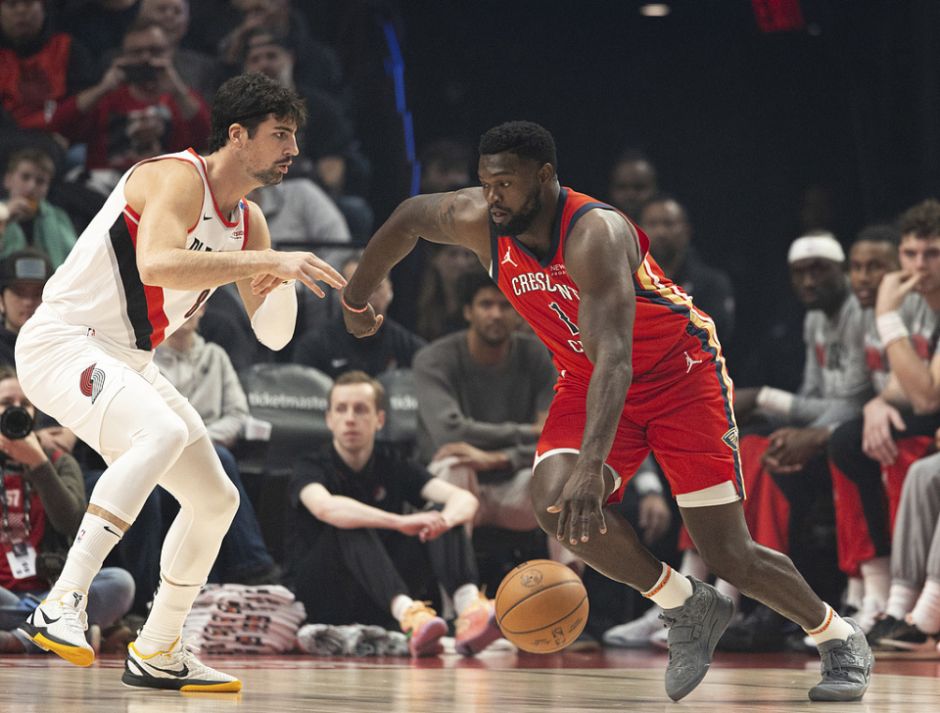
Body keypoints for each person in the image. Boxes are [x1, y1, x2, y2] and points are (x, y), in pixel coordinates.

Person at [343, 121, 873, 702]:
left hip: (678, 378)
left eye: (506, 184)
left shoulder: (594, 233)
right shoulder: (478, 220)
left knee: (727, 552)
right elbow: (408, 219)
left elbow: (617, 359)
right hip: (586, 378)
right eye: (486, 183)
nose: (493, 197)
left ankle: (839, 637)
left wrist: (593, 467)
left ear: (545, 177)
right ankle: (686, 604)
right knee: (556, 502)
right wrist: (356, 296)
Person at [13, 72, 345, 693]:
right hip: (63, 340)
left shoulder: (250, 222)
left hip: (130, 359)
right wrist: (265, 261)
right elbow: (156, 263)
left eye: (295, 136)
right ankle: (61, 602)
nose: (293, 149)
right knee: (162, 432)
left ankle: (160, 646)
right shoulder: (174, 175)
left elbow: (274, 336)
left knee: (216, 499)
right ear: (238, 135)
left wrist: (281, 282)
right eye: (280, 134)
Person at [286, 370, 500, 658]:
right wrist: (399, 522)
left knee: (440, 514)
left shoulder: (393, 462)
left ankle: (470, 611)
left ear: (380, 420)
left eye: (361, 409)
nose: (350, 418)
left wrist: (443, 522)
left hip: (380, 592)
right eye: (341, 409)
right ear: (329, 419)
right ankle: (410, 615)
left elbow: (464, 500)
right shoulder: (310, 464)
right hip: (327, 592)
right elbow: (326, 507)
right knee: (350, 522)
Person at [828, 200, 940, 632]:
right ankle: (882, 596)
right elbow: (912, 384)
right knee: (849, 440)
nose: (919, 265)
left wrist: (888, 316)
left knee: (902, 453)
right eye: (911, 254)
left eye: (931, 254)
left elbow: (927, 397)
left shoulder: (903, 308)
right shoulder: (929, 306)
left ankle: (918, 605)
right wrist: (879, 403)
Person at [0, 365, 135, 656]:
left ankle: (20, 638)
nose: (17, 410)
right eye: (6, 403)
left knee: (120, 583)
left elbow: (72, 524)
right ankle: (54, 629)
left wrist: (38, 464)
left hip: (54, 589)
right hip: (4, 594)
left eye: (25, 404)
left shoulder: (59, 461)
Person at [415, 269, 555, 536]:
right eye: (486, 305)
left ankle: (573, 566)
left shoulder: (536, 353)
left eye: (505, 306)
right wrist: (527, 432)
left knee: (564, 472)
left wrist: (500, 458)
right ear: (468, 311)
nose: (496, 314)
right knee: (454, 463)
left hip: (514, 483)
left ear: (519, 312)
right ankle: (456, 566)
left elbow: (554, 439)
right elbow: (450, 434)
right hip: (458, 484)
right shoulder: (433, 359)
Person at [49, 19, 211, 191]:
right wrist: (102, 88)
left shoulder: (182, 100)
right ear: (124, 56)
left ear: (169, 54)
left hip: (165, 188)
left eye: (155, 51)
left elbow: (209, 137)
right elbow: (59, 125)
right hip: (106, 190)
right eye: (136, 52)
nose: (146, 58)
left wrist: (177, 90)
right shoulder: (106, 97)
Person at [293, 253, 425, 379]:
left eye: (376, 287)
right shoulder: (313, 347)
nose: (368, 295)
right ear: (340, 292)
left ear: (390, 289)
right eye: (358, 288)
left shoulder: (410, 348)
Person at [638, 193, 735, 340]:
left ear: (686, 230)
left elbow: (714, 333)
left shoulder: (712, 283)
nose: (660, 232)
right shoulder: (628, 282)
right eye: (652, 224)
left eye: (668, 224)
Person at [1, 148, 78, 267]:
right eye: (25, 177)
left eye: (40, 181)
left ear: (47, 188)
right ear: (8, 180)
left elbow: (75, 260)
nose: (31, 186)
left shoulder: (58, 218)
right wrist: (4, 216)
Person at [0, 249, 52, 367]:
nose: (28, 302)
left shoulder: (62, 344)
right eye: (19, 293)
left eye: (38, 294)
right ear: (1, 300)